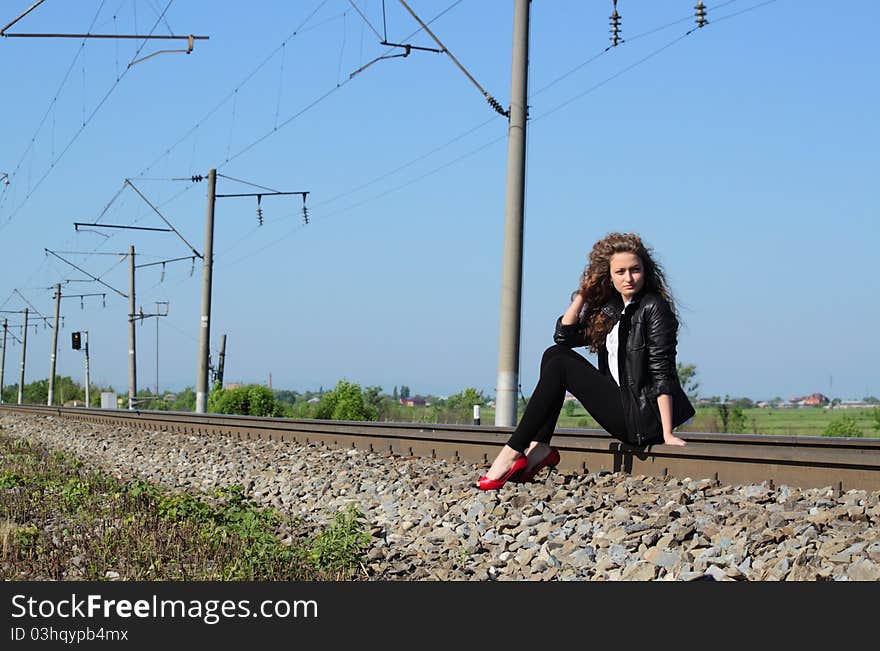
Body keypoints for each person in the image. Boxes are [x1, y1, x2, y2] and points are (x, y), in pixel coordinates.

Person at [477, 232, 695, 490]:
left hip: (643, 418)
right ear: (609, 276)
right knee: (554, 355)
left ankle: (513, 451)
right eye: (620, 271)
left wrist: (667, 432)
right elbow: (564, 337)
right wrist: (582, 294)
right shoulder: (613, 310)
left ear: (645, 271)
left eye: (635, 270)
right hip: (623, 404)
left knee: (559, 363)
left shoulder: (653, 307)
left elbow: (662, 370)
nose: (628, 278)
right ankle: (539, 446)